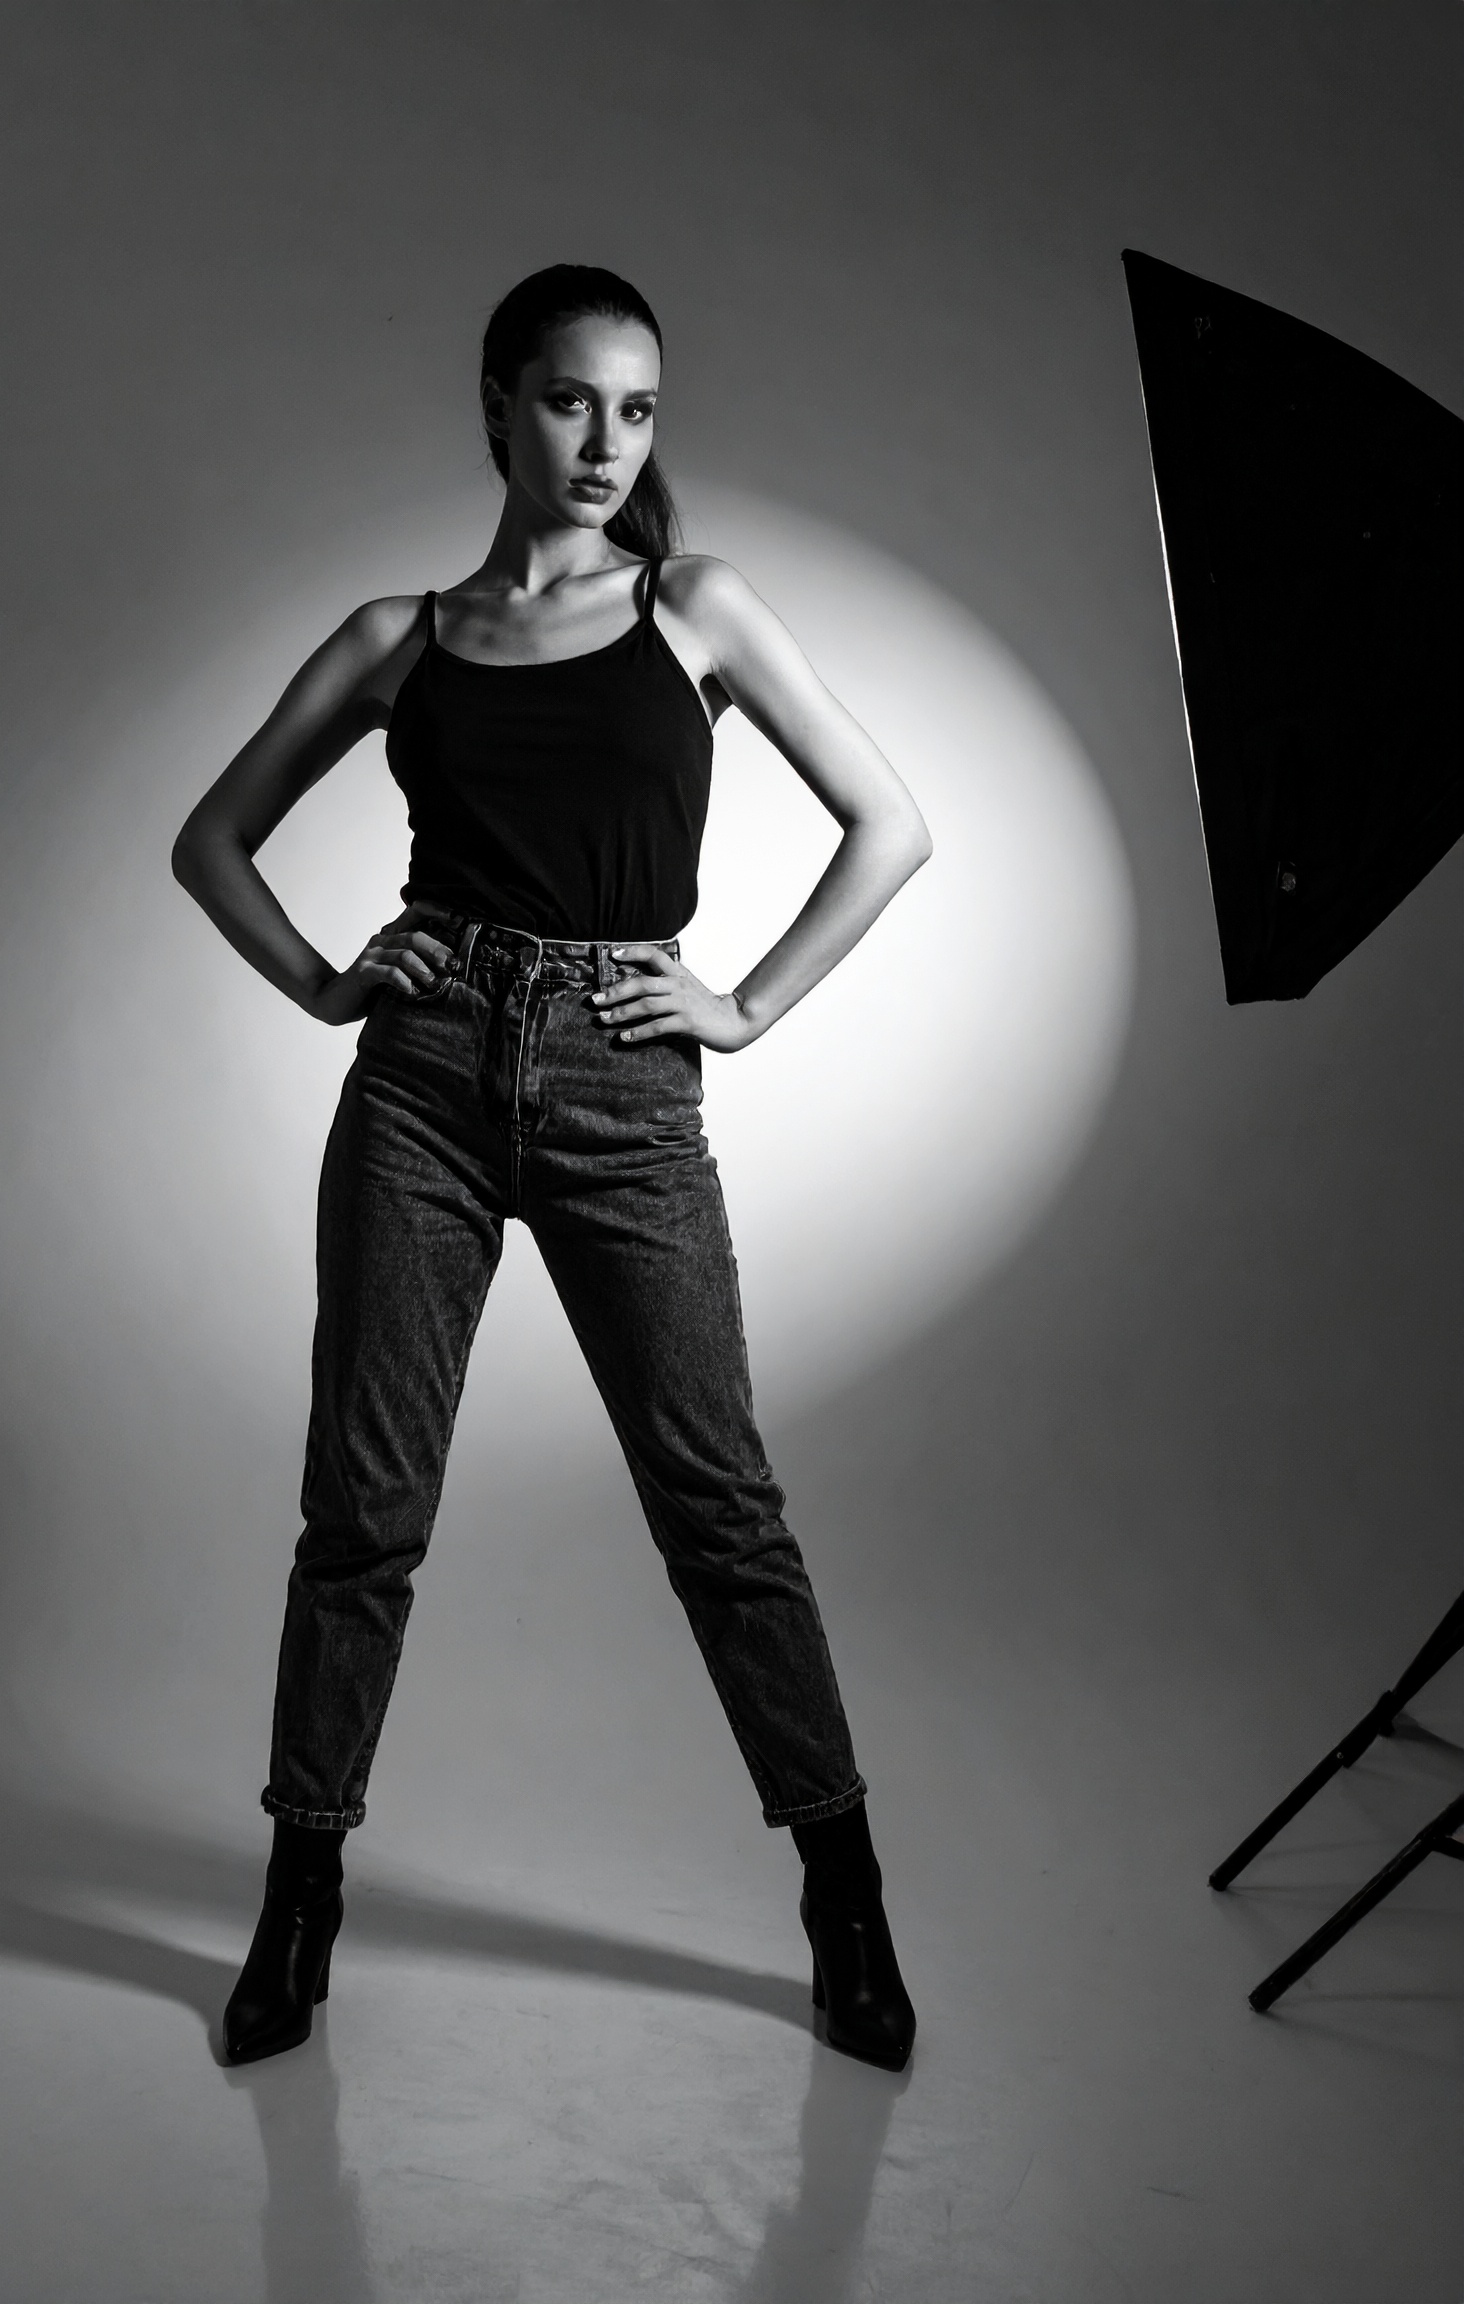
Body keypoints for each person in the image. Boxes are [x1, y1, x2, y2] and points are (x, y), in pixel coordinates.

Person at [172, 264, 933, 2073]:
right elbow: (210, 839)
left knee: (719, 1507)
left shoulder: (699, 608)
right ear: (499, 404)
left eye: (641, 409)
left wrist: (742, 1003)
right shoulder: (399, 636)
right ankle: (299, 1905)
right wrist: (329, 980)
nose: (609, 443)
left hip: (623, 1090)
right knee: (365, 1509)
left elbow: (891, 822)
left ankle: (845, 1899)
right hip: (426, 1081)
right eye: (575, 400)